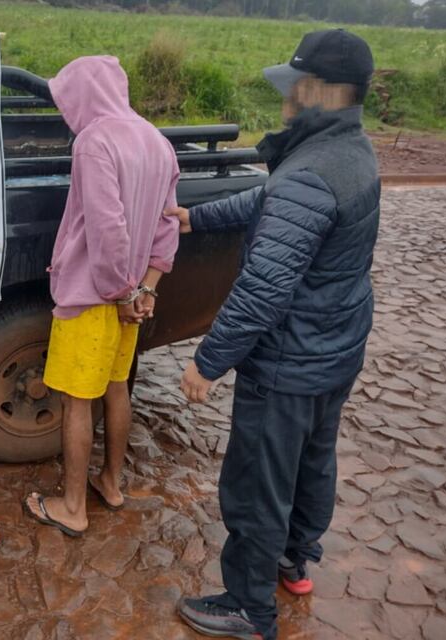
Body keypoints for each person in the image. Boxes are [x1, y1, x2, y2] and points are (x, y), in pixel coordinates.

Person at [170, 30, 379, 640]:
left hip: (288, 362)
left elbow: (263, 287)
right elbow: (272, 201)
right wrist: (196, 217)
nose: (285, 100)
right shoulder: (352, 151)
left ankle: (249, 609)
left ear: (322, 92)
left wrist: (207, 363)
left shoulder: (311, 173)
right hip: (335, 351)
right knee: (313, 461)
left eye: (293, 89)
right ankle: (295, 561)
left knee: (258, 478)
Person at [24, 56, 181, 536]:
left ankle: (72, 507)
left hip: (96, 296)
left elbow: (106, 228)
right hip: (131, 297)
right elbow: (168, 224)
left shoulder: (94, 143)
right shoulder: (158, 141)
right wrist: (144, 290)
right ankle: (110, 483)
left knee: (76, 400)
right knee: (116, 387)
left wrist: (118, 293)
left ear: (84, 95)